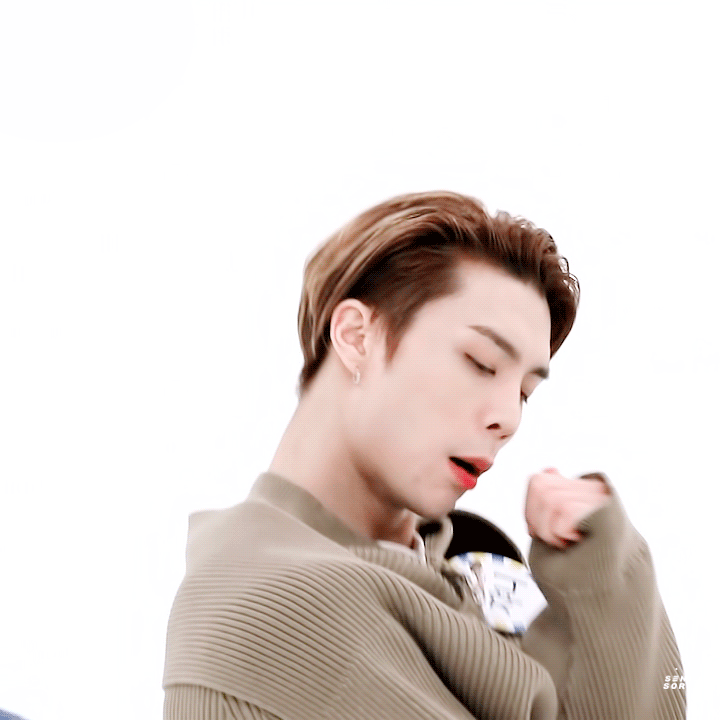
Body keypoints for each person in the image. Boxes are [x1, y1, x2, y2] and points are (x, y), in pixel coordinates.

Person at [163, 191, 686, 719]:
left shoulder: (472, 562)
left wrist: (603, 570)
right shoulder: (273, 608)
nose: (509, 418)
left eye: (525, 392)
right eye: (481, 363)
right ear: (356, 337)